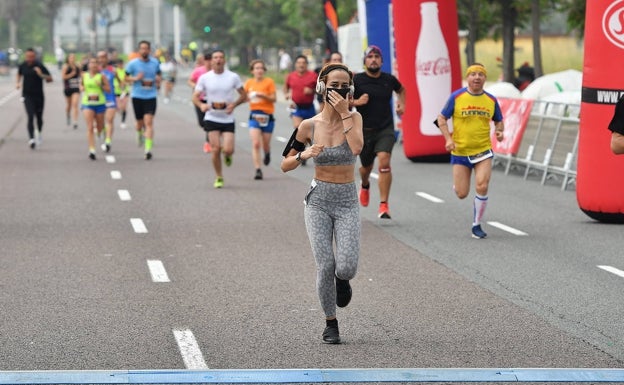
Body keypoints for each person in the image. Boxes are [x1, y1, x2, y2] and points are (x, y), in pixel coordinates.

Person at [281, 63, 363, 344]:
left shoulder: (354, 118)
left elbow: (357, 148)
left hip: (347, 202)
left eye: (344, 86)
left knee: (347, 267)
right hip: (318, 202)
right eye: (333, 86)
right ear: (321, 87)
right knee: (325, 264)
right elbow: (284, 164)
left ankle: (343, 281)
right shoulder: (308, 126)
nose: (339, 91)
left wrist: (344, 113)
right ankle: (331, 323)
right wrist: (304, 155)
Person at [436, 63, 504, 239]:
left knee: (482, 185)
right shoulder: (457, 97)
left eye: (480, 74)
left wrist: (499, 131)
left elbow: (499, 120)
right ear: (468, 77)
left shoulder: (491, 100)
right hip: (460, 151)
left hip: (483, 151)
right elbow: (441, 118)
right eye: (473, 74)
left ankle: (476, 224)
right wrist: (448, 139)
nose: (477, 77)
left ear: (484, 78)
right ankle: (458, 185)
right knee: (462, 193)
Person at [352, 45, 405, 219]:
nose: (373, 59)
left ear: (382, 61)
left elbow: (401, 90)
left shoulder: (388, 79)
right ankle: (365, 184)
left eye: (377, 56)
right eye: (370, 57)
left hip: (385, 129)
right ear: (365, 61)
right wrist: (357, 102)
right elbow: (343, 101)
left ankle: (384, 205)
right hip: (364, 131)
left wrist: (401, 104)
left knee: (384, 161)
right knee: (365, 168)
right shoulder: (356, 80)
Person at [192, 49, 246, 188]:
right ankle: (219, 176)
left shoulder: (233, 77)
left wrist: (233, 105)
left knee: (228, 150)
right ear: (211, 60)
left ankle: (227, 155)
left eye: (221, 57)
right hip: (211, 117)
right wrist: (201, 105)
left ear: (224, 60)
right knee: (215, 149)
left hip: (227, 118)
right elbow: (195, 96)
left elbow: (243, 95)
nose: (218, 60)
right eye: (215, 57)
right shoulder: (205, 77)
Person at [125, 40, 162, 160]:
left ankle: (147, 149)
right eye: (142, 48)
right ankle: (139, 133)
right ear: (139, 50)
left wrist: (158, 80)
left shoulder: (155, 63)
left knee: (149, 122)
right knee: (139, 123)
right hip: (137, 96)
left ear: (149, 50)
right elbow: (125, 78)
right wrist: (136, 78)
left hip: (151, 96)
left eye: (146, 48)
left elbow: (159, 74)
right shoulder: (133, 64)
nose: (144, 50)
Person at [244, 59, 277, 180]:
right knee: (256, 143)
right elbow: (243, 97)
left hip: (267, 115)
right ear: (252, 71)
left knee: (265, 144)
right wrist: (247, 98)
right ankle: (258, 169)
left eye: (261, 68)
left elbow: (274, 99)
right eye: (256, 68)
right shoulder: (249, 83)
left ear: (264, 70)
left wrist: (262, 95)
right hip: (254, 115)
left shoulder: (269, 82)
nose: (259, 70)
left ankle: (267, 153)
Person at [284, 55, 318, 165]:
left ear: (306, 64)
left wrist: (312, 91)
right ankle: (301, 152)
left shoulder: (313, 76)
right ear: (296, 64)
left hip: (309, 107)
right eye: (299, 62)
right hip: (296, 108)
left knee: (310, 134)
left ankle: (304, 151)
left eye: (303, 62)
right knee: (298, 129)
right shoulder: (291, 76)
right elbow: (286, 88)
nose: (301, 64)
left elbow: (320, 90)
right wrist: (287, 95)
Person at [16, 48, 53, 149]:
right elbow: (19, 74)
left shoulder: (39, 65)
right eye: (28, 57)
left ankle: (39, 132)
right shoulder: (22, 65)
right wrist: (18, 83)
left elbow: (50, 79)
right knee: (30, 116)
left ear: (35, 56)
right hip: (27, 95)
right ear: (25, 56)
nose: (30, 59)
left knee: (39, 117)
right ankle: (31, 139)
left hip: (39, 95)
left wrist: (41, 74)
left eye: (32, 57)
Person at [80, 57, 110, 160]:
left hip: (100, 103)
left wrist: (101, 85)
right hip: (87, 103)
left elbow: (108, 90)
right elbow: (81, 85)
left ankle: (101, 132)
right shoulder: (84, 75)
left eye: (95, 63)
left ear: (98, 65)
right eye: (91, 63)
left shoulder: (102, 76)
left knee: (99, 126)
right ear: (88, 65)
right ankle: (92, 150)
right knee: (89, 127)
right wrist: (81, 88)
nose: (93, 65)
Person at [188, 52, 212, 153]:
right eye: (207, 60)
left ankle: (208, 142)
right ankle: (211, 134)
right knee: (202, 122)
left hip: (211, 100)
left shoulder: (216, 72)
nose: (209, 62)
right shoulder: (199, 71)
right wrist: (195, 87)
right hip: (199, 99)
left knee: (210, 121)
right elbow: (190, 81)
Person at [97, 50, 119, 153]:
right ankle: (103, 132)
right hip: (97, 100)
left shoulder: (112, 70)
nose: (101, 59)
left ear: (107, 58)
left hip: (110, 98)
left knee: (109, 120)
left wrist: (121, 90)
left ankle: (108, 141)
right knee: (100, 123)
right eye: (100, 57)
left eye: (104, 57)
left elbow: (120, 81)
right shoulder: (94, 70)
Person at [61, 53, 81, 129]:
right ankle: (68, 115)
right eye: (71, 57)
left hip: (76, 87)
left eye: (74, 57)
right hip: (68, 88)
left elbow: (81, 75)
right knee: (69, 105)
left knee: (75, 104)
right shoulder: (65, 66)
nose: (73, 59)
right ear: (68, 58)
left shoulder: (77, 66)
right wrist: (71, 74)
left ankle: (75, 121)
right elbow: (63, 77)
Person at [114, 58, 129, 129]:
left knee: (124, 107)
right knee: (117, 107)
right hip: (117, 91)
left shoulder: (126, 71)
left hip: (124, 91)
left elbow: (129, 79)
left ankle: (123, 122)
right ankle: (121, 113)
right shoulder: (115, 72)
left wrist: (125, 83)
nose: (120, 65)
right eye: (119, 64)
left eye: (121, 64)